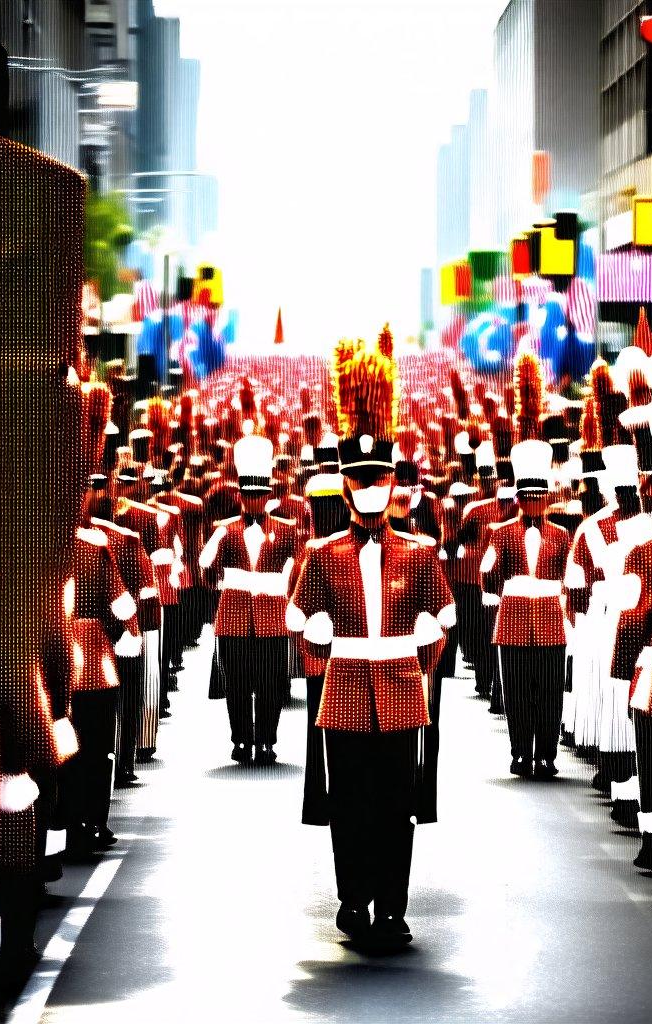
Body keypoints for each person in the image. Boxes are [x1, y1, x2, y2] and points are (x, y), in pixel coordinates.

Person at [288, 335, 454, 949]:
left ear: (391, 483)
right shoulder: (321, 553)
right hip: (345, 690)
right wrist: (319, 645)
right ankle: (353, 899)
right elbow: (297, 617)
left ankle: (393, 906)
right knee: (350, 805)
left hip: (404, 691)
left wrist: (423, 656)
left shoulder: (420, 550)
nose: (368, 489)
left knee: (397, 808)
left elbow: (445, 612)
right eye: (357, 480)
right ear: (346, 485)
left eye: (377, 478)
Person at [199, 427, 298, 765]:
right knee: (238, 684)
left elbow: (297, 568)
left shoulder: (285, 529)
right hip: (234, 616)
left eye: (259, 494)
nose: (254, 500)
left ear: (267, 495)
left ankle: (267, 739)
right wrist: (216, 565)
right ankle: (241, 739)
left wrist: (284, 587)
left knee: (271, 684)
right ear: (241, 496)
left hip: (272, 615)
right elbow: (206, 567)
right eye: (248, 495)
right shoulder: (225, 528)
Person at [480, 440, 570, 779]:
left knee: (549, 693)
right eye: (527, 497)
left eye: (538, 497)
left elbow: (568, 575)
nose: (533, 503)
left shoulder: (562, 535)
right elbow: (487, 572)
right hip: (513, 621)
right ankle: (520, 753)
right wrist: (499, 589)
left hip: (549, 620)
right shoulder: (500, 533)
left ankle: (546, 755)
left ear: (546, 498)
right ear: (518, 498)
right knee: (516, 693)